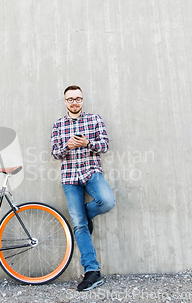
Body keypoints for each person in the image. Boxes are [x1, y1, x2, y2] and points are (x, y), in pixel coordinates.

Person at [50, 85, 115, 291]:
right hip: (69, 177)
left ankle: (85, 215)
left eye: (78, 99)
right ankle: (92, 271)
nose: (74, 102)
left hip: (91, 172)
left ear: (82, 100)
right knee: (79, 225)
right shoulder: (58, 124)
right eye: (70, 99)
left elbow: (104, 146)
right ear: (65, 102)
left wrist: (87, 143)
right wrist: (67, 146)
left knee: (106, 202)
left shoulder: (94, 119)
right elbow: (55, 153)